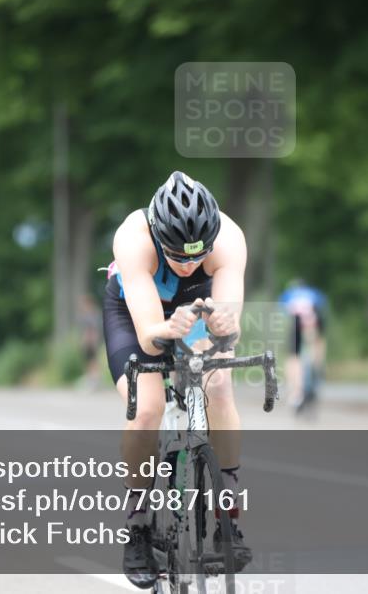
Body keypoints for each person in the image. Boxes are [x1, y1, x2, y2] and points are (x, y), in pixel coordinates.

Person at [102, 171, 250, 589]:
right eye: (177, 255)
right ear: (158, 237)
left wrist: (222, 326)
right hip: (136, 315)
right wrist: (167, 330)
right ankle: (138, 528)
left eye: (196, 256)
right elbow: (149, 337)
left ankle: (229, 520)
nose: (187, 264)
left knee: (219, 384)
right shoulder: (134, 239)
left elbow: (227, 321)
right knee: (146, 408)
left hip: (196, 309)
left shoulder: (230, 239)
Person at [279, 279, 327, 414]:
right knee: (317, 344)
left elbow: (283, 313)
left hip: (297, 323)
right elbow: (322, 309)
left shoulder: (289, 294)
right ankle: (317, 365)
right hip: (314, 322)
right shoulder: (314, 293)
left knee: (293, 357)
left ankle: (295, 391)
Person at [77, 294, 103, 391]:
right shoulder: (86, 314)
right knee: (89, 361)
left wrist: (92, 341)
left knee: (93, 361)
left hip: (92, 341)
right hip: (88, 341)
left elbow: (94, 329)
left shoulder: (93, 314)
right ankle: (91, 379)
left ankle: (95, 381)